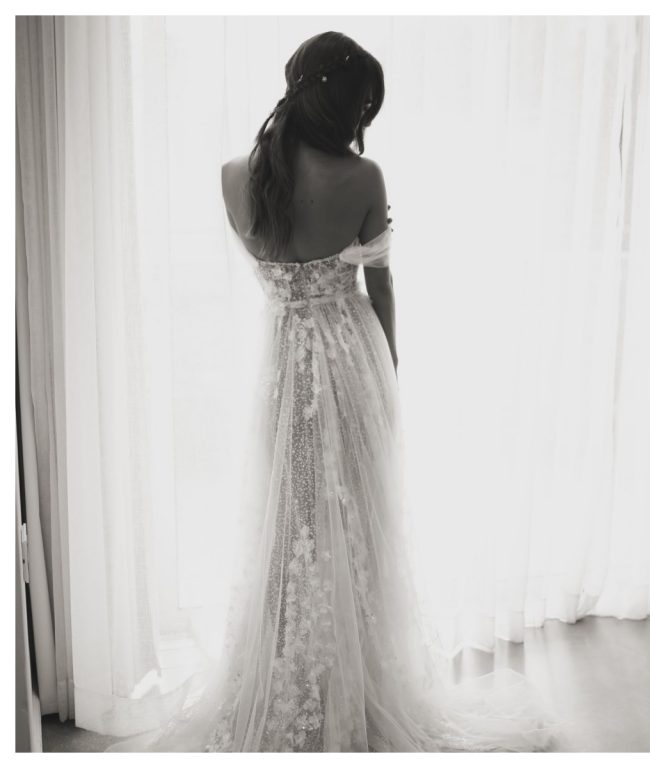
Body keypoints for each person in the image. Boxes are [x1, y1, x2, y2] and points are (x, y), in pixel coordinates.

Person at [105, 30, 562, 753]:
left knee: (289, 523)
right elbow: (382, 287)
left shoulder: (235, 175)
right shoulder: (363, 177)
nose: (363, 121)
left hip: (281, 366)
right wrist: (390, 374)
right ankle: (344, 680)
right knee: (352, 524)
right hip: (347, 362)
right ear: (340, 104)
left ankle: (293, 672)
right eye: (362, 106)